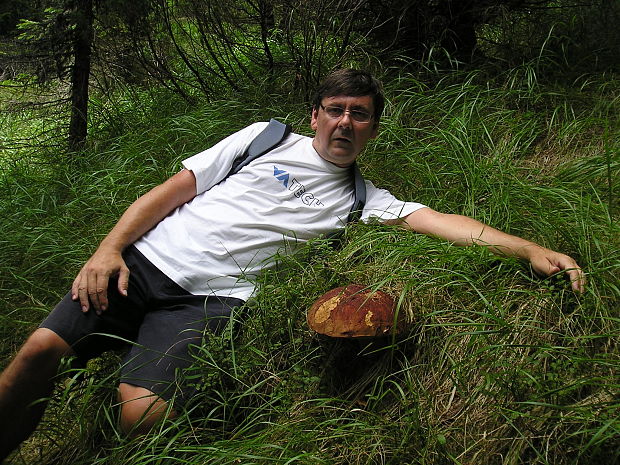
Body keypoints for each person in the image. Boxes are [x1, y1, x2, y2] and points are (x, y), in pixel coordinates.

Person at [0, 69, 585, 460]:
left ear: (373, 128)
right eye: (336, 110)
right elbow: (169, 191)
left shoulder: (364, 201)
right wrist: (106, 251)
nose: (345, 123)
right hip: (143, 263)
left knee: (142, 417)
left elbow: (446, 224)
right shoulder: (264, 139)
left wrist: (530, 249)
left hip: (209, 302)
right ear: (314, 115)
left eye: (360, 114)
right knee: (36, 352)